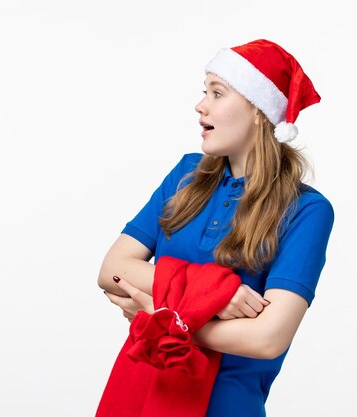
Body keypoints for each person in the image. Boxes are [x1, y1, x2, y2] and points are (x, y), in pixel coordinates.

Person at [97, 39, 334, 417]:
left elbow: (268, 338)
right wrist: (215, 295)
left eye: (217, 93)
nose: (200, 105)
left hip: (222, 405)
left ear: (258, 111)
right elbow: (113, 271)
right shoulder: (185, 176)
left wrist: (162, 318)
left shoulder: (307, 210)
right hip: (136, 391)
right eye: (204, 91)